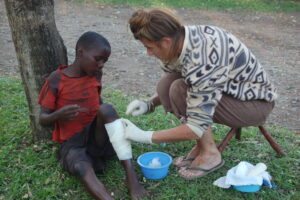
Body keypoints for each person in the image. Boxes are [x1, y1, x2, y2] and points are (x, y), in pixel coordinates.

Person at [123, 8, 277, 180]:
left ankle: (211, 154)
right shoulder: (183, 39)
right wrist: (149, 103)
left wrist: (145, 136)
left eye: (149, 47)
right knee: (166, 85)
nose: (148, 53)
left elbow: (196, 126)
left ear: (166, 41)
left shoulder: (202, 59)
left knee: (179, 89)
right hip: (231, 92)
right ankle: (203, 146)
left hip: (254, 104)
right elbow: (194, 86)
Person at [38, 31, 148, 200]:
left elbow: (98, 101)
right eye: (98, 59)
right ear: (80, 53)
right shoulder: (56, 80)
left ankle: (131, 178)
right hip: (73, 145)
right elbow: (42, 119)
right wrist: (58, 115)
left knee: (107, 108)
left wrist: (107, 121)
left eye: (105, 61)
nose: (101, 64)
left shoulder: (95, 74)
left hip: (96, 139)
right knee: (82, 167)